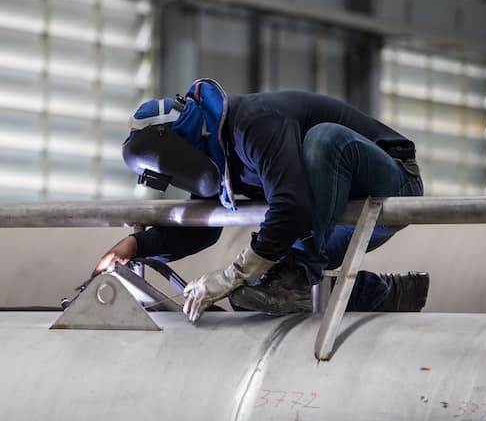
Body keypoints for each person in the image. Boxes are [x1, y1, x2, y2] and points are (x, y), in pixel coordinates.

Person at [93, 78, 429, 322]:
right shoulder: (217, 155)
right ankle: (385, 293)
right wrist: (135, 246)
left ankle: (300, 272)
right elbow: (204, 228)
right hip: (332, 212)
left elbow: (292, 205)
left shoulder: (254, 124)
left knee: (325, 139)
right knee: (253, 294)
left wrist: (231, 273)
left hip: (392, 185)